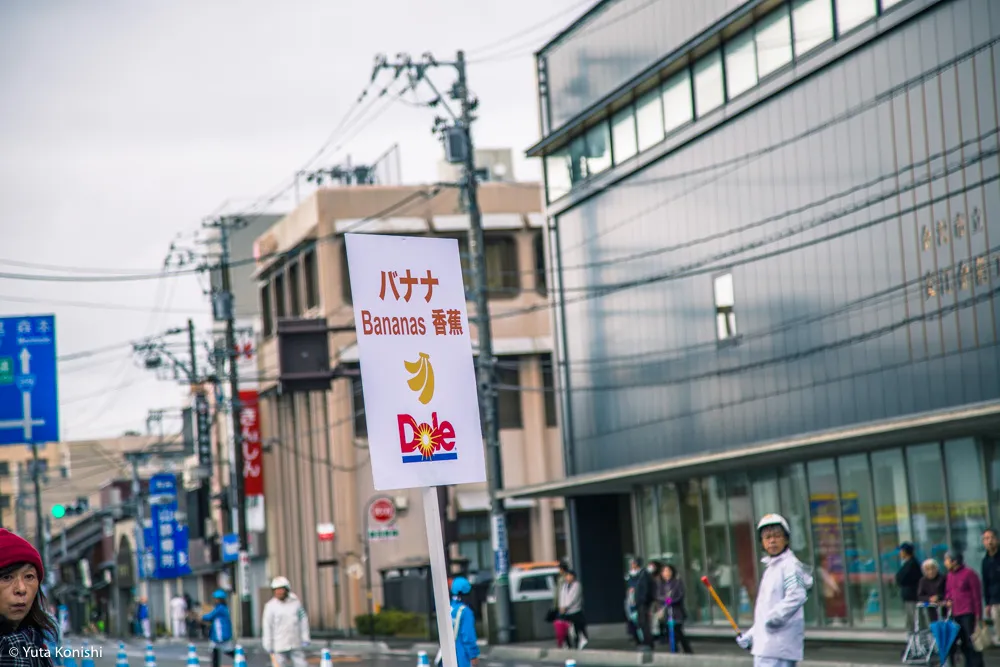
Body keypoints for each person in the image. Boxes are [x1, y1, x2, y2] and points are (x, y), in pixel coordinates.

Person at [735, 514, 814, 667]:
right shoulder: (771, 568)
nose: (772, 540)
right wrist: (751, 635)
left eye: (777, 536)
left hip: (780, 648)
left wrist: (775, 618)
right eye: (767, 537)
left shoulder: (790, 566)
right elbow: (765, 612)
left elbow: (797, 596)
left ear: (786, 539)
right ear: (762, 542)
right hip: (766, 648)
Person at [0, 528, 58, 667]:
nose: (21, 589)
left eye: (29, 577)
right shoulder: (11, 646)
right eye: (7, 577)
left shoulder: (33, 636)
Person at [943, 550, 984, 667]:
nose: (945, 563)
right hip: (955, 614)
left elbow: (977, 596)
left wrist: (978, 616)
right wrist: (948, 600)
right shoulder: (949, 575)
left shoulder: (969, 574)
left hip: (968, 613)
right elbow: (948, 592)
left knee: (972, 643)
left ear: (954, 561)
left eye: (946, 560)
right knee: (961, 643)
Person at [262, 576, 311, 667]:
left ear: (287, 589)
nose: (279, 592)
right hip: (279, 644)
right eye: (276, 590)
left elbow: (303, 620)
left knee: (302, 664)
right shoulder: (270, 606)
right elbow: (267, 626)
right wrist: (268, 644)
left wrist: (305, 637)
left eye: (281, 589)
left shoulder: (296, 603)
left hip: (295, 641)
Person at [443, 577, 479, 667]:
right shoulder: (465, 611)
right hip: (462, 657)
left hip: (446, 655)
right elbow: (468, 636)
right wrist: (473, 655)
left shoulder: (448, 608)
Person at [658, 563, 693, 654]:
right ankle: (674, 650)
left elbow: (681, 595)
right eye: (664, 571)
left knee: (678, 631)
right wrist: (665, 600)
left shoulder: (677, 582)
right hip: (667, 612)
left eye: (668, 571)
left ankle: (687, 650)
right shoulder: (661, 585)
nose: (667, 573)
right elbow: (659, 596)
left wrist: (672, 601)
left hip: (677, 612)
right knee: (669, 632)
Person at [558, 568, 588, 649]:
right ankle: (568, 645)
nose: (567, 577)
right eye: (566, 576)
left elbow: (573, 598)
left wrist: (566, 606)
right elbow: (561, 597)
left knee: (577, 629)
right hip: (566, 612)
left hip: (575, 611)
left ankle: (578, 643)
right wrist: (561, 606)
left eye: (569, 576)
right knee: (566, 629)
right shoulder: (564, 586)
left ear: (573, 577)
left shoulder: (577, 585)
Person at [202, 590, 234, 667]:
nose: (214, 600)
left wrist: (201, 616)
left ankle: (240, 657)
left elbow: (210, 616)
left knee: (227, 650)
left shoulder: (220, 608)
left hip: (220, 634)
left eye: (215, 598)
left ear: (219, 599)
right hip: (219, 634)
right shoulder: (224, 608)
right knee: (215, 650)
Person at [896, 543, 922, 632]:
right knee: (910, 620)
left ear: (905, 552)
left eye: (901, 551)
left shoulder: (912, 564)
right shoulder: (907, 563)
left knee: (913, 621)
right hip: (908, 597)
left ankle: (914, 641)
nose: (899, 553)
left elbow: (901, 578)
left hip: (912, 597)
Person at [982, 528, 1000, 646]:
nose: (989, 541)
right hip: (994, 600)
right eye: (986, 539)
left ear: (997, 540)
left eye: (992, 538)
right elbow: (985, 583)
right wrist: (987, 603)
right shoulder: (985, 561)